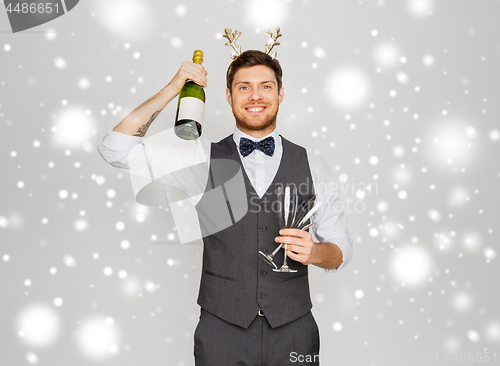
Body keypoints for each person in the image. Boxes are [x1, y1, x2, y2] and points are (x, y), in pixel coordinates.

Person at [98, 49, 353, 365]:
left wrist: (315, 252)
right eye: (244, 87)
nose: (255, 95)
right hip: (222, 332)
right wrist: (173, 89)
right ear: (229, 97)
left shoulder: (312, 164)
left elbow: (341, 249)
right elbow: (114, 149)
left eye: (266, 86)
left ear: (281, 93)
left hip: (294, 331)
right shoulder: (199, 159)